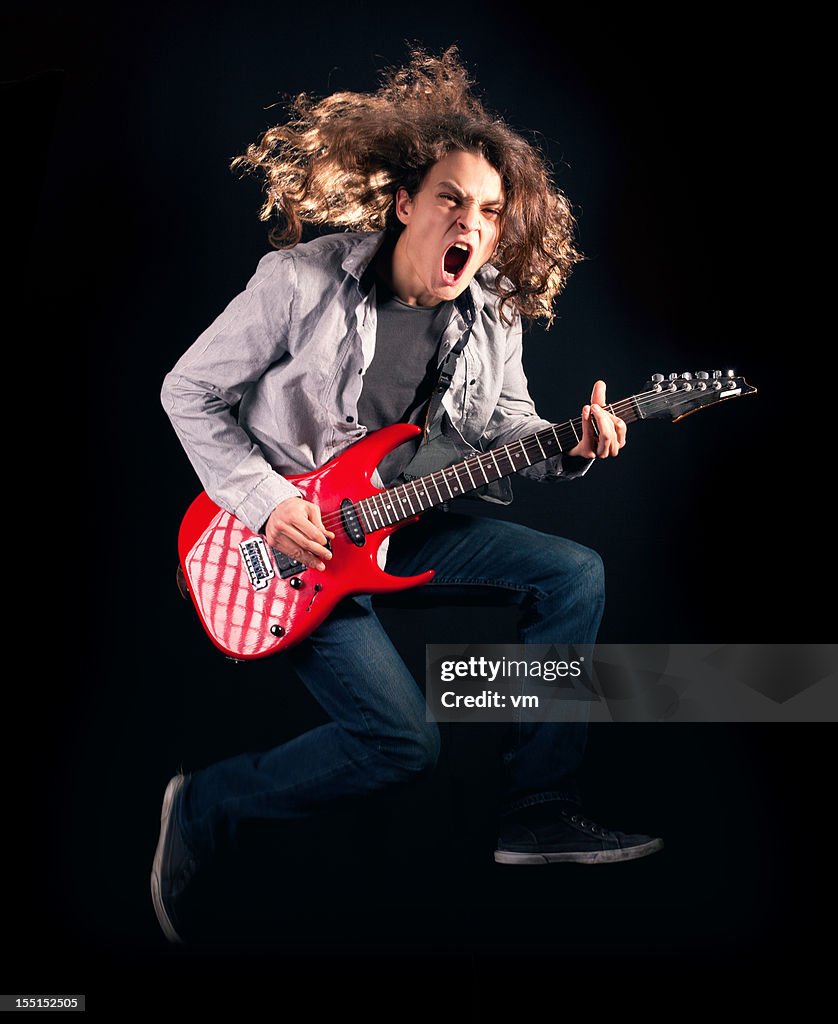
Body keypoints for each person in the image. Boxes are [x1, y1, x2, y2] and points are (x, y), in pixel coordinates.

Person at [153, 46, 662, 944]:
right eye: (453, 200)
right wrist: (267, 500)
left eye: (492, 213)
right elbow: (186, 391)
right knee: (403, 745)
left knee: (573, 575)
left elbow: (508, 430)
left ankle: (537, 806)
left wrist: (574, 446)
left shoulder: (493, 308)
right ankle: (205, 808)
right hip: (292, 547)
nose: (473, 224)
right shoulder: (301, 282)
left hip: (400, 523)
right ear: (406, 206)